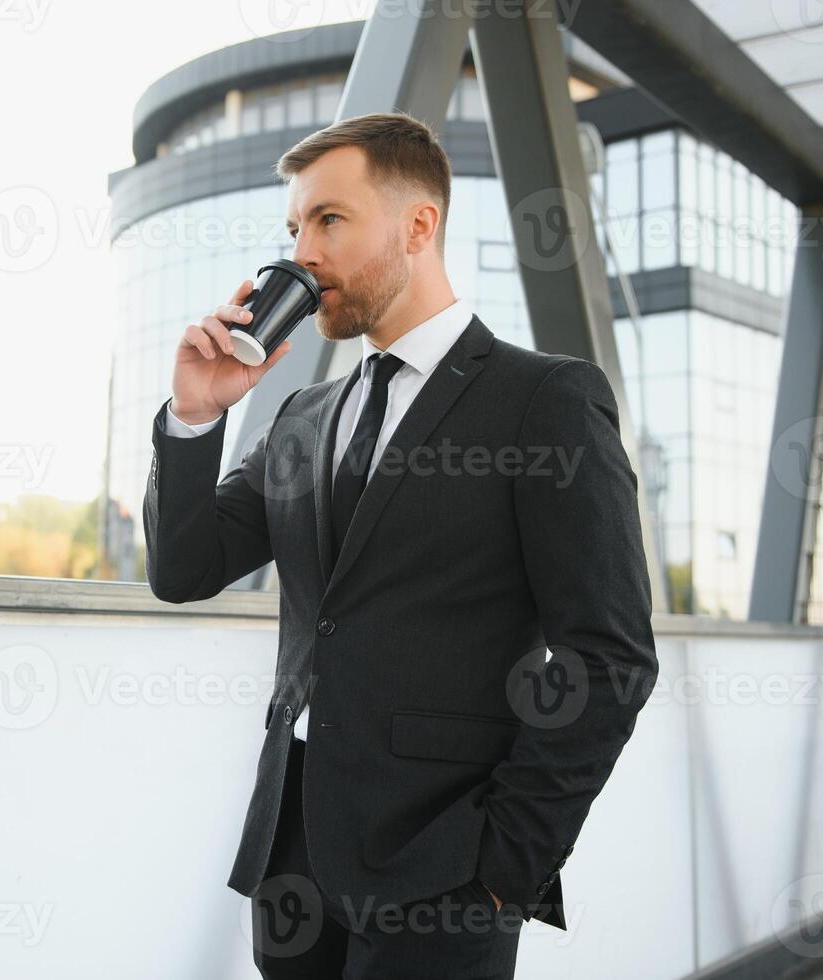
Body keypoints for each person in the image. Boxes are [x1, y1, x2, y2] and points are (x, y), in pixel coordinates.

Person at [142, 111, 658, 978]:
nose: (301, 250)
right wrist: (196, 416)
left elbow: (607, 655)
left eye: (328, 220)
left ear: (417, 226)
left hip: (446, 868)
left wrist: (503, 868)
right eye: (294, 226)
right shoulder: (304, 416)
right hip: (294, 860)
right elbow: (183, 570)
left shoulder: (545, 400)